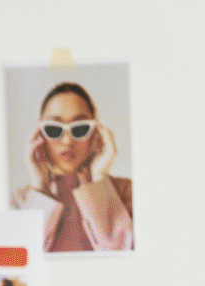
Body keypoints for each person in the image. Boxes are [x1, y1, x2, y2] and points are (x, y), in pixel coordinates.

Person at [12, 82, 134, 253]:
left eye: (80, 128)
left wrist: (99, 177)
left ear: (96, 131)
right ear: (39, 133)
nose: (67, 140)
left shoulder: (127, 192)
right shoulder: (18, 201)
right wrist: (39, 186)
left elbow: (122, 255)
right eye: (53, 129)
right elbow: (23, 258)